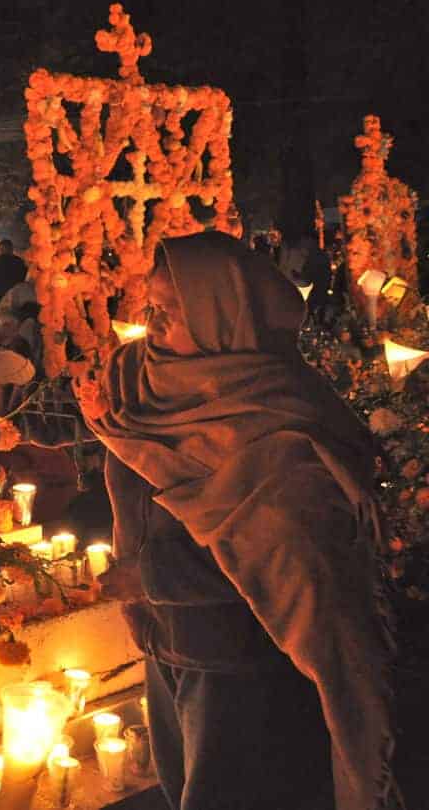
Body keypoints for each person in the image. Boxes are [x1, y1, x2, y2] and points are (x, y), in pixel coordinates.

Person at [88, 232, 399, 810]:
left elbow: (290, 564)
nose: (151, 325)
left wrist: (151, 576)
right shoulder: (146, 379)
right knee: (180, 785)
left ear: (221, 317)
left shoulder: (275, 416)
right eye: (149, 307)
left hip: (237, 660)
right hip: (164, 641)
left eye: (169, 313)